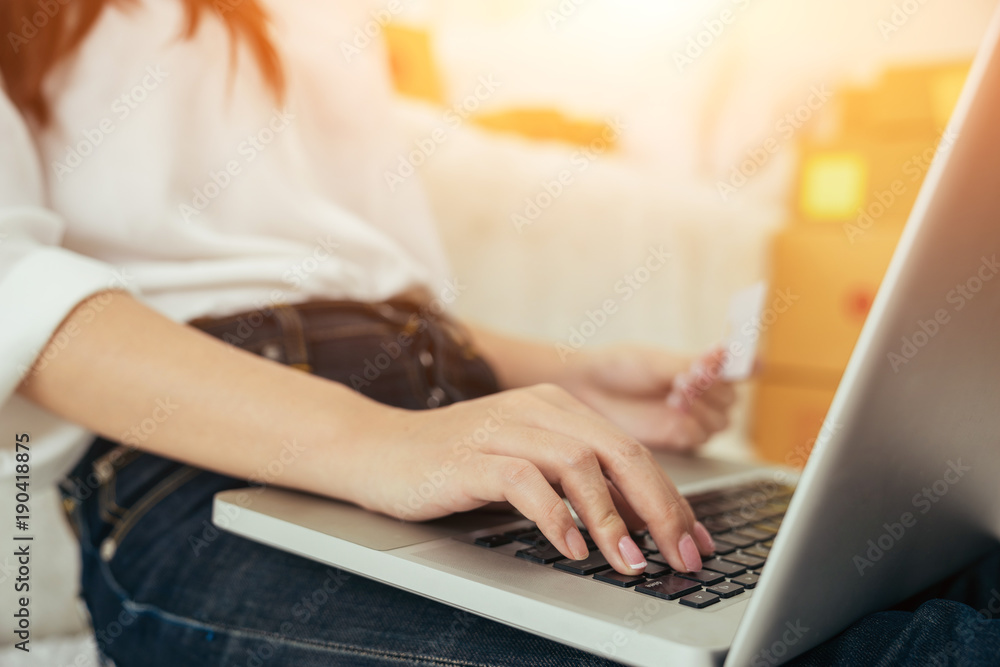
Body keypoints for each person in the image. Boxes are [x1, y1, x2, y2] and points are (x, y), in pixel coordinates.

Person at [2, 2, 998, 666]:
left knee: (946, 569)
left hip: (443, 425)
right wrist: (374, 442)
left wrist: (576, 377)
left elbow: (367, 290)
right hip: (211, 469)